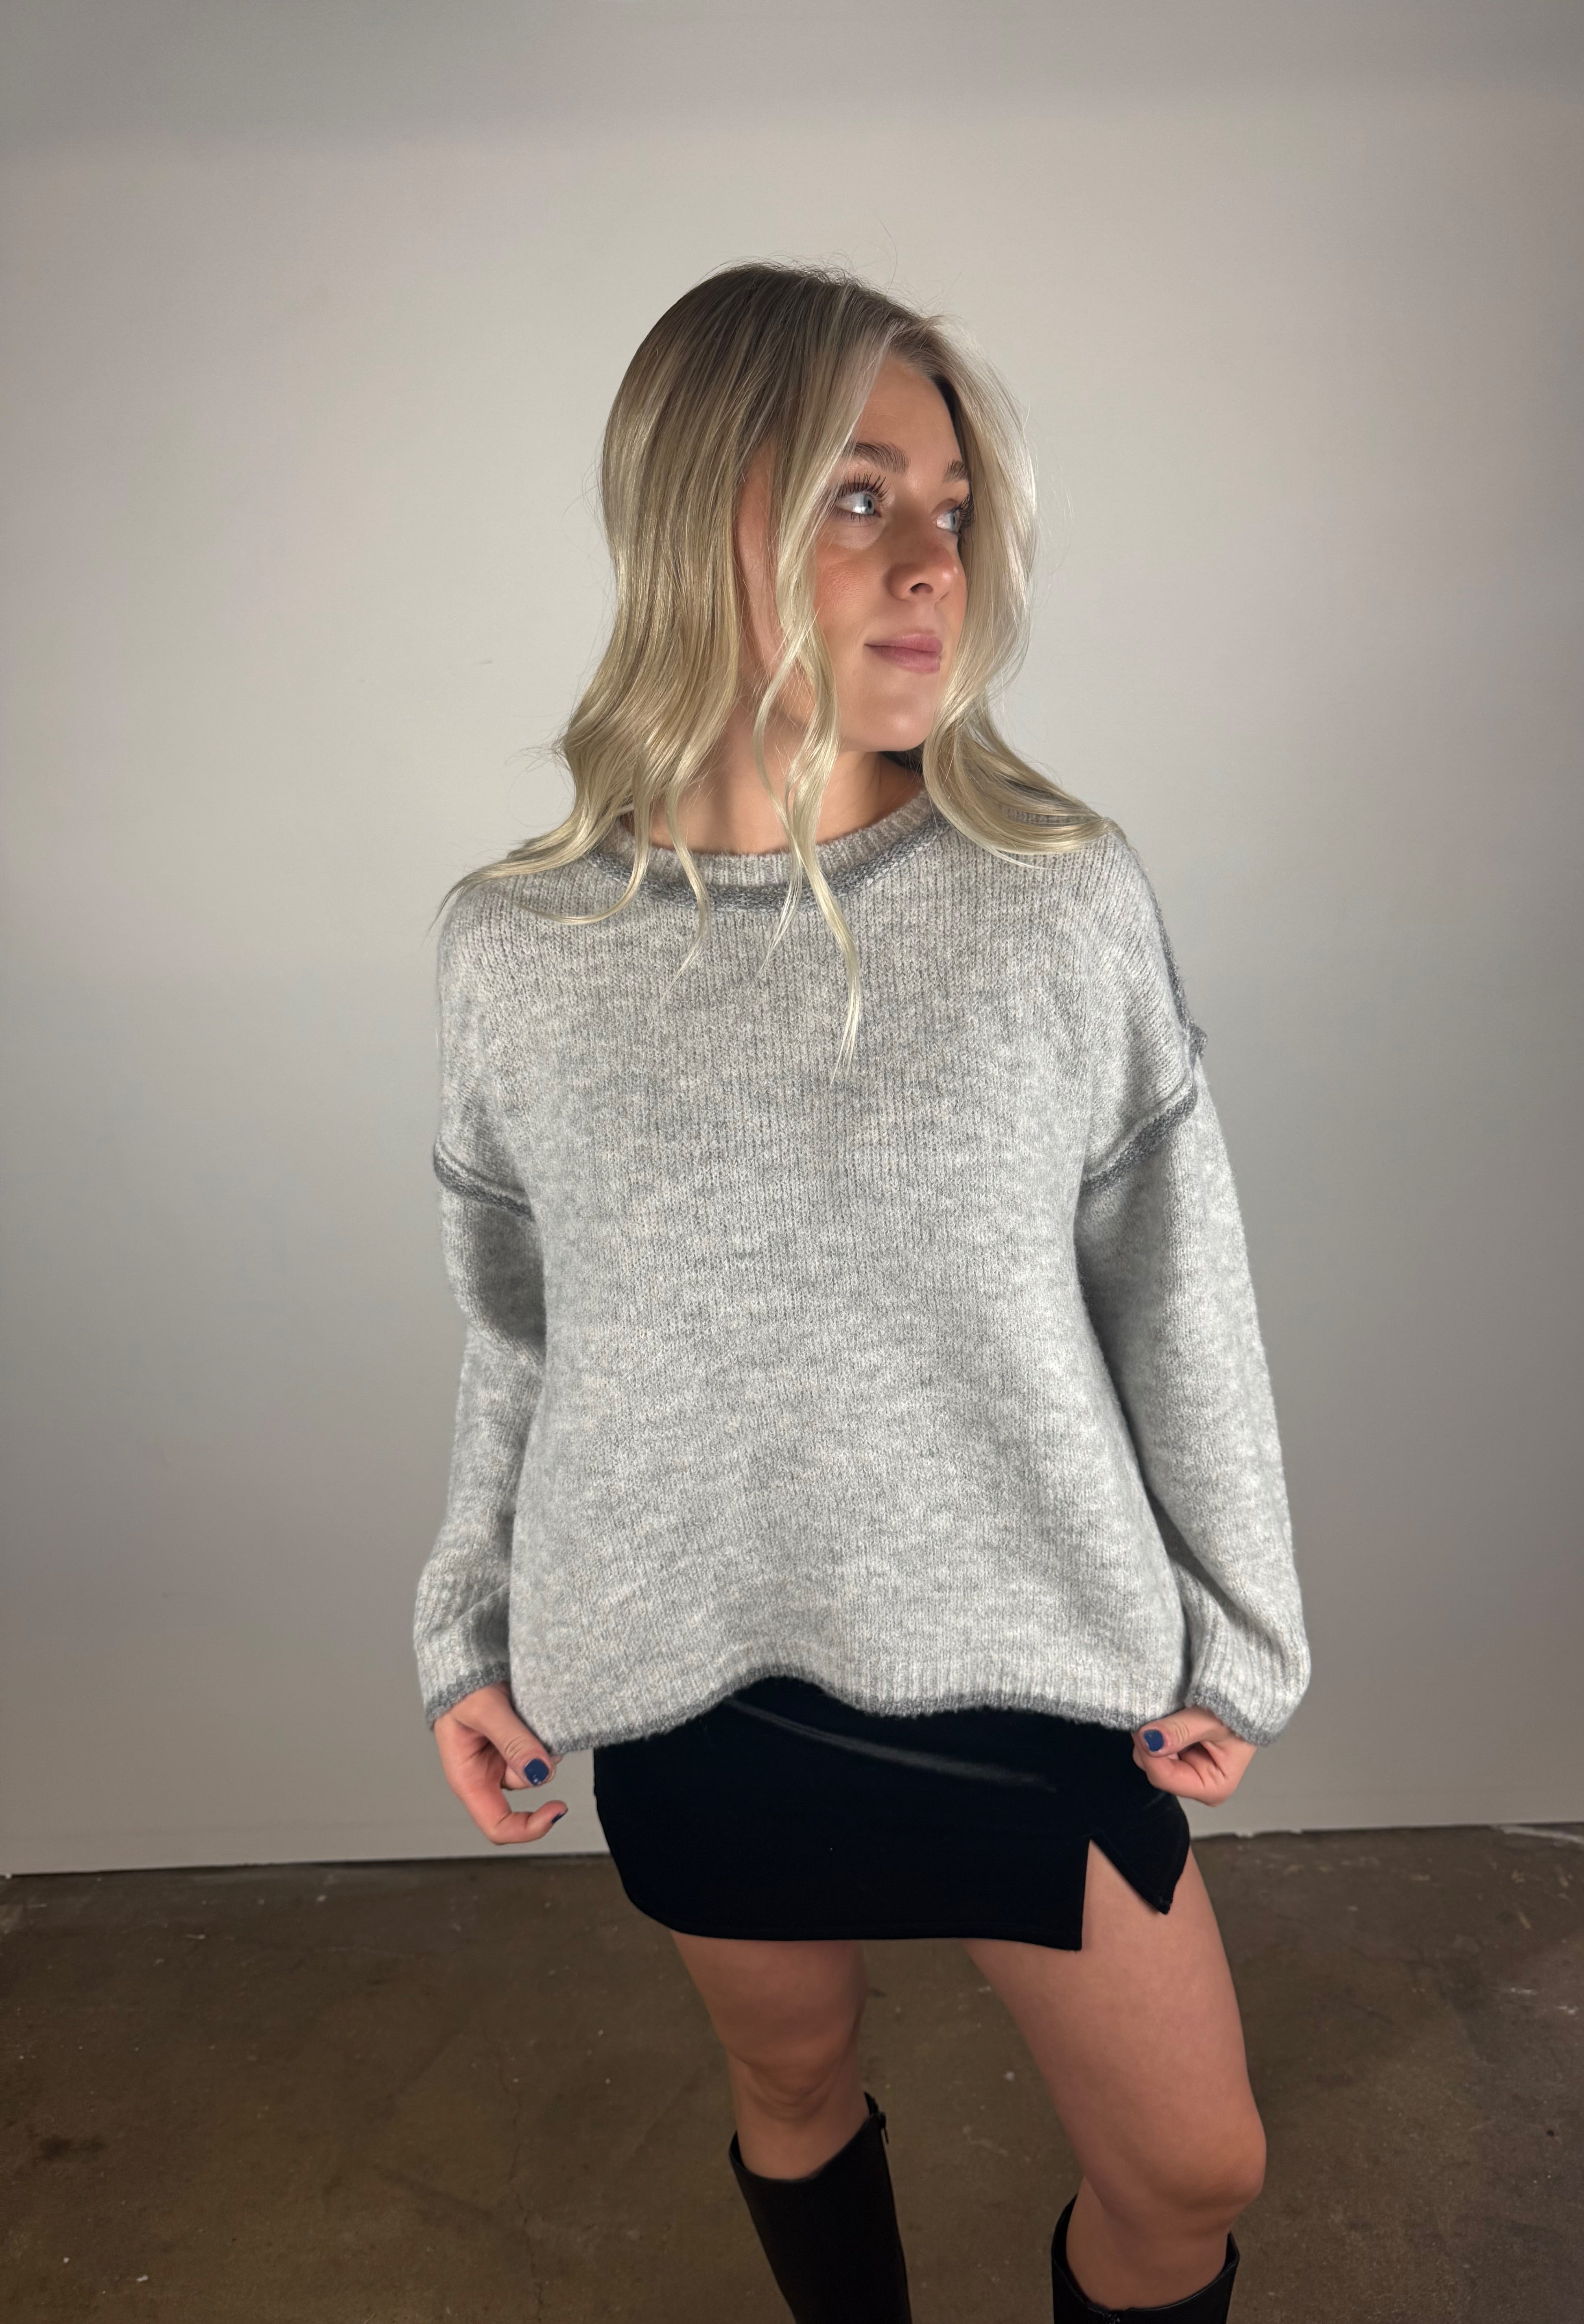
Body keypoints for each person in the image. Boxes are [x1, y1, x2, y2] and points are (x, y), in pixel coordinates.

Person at [413, 260, 1311, 2324]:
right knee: (792, 2083)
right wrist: (468, 1624)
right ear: (692, 514)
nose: (934, 565)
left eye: (957, 511)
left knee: (1192, 2170)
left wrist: (1244, 1621)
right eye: (859, 496)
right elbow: (519, 1324)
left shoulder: (1056, 902)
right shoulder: (516, 949)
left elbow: (1180, 1286)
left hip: (1029, 1642)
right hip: (685, 1653)